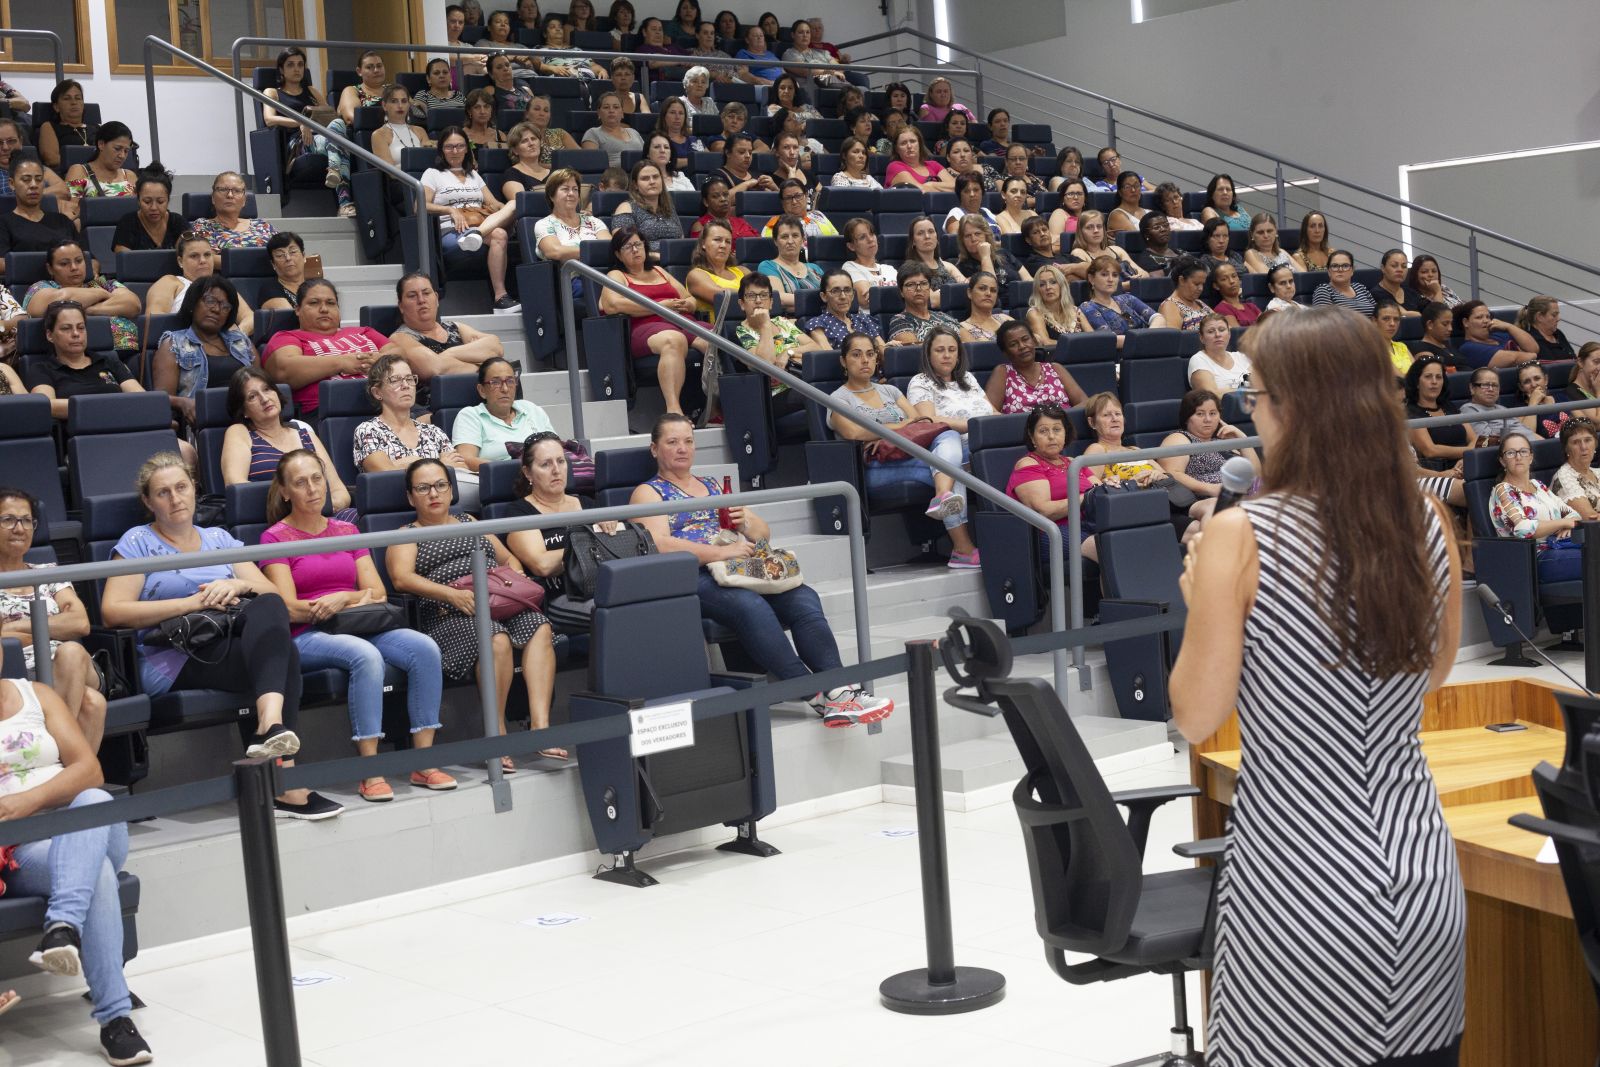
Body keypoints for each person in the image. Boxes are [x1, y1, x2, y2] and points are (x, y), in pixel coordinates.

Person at [1169, 306, 1466, 1067]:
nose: (1252, 412)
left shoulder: (1243, 535)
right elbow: (1431, 672)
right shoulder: (1426, 521)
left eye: (1257, 396)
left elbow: (1196, 714)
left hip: (1299, 890)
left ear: (1297, 409)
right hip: (1421, 878)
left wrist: (1201, 595)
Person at [102, 452, 342, 818]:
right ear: (149, 502)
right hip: (174, 656)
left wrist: (236, 583)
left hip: (225, 641)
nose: (175, 498)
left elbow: (270, 595)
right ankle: (283, 777)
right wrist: (191, 602)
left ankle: (269, 724)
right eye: (163, 492)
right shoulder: (137, 542)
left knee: (270, 607)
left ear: (194, 490)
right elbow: (114, 610)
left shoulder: (218, 539)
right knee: (285, 657)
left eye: (181, 487)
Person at [635, 412, 896, 724]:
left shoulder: (713, 485)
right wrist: (721, 553)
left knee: (804, 598)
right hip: (694, 576)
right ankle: (819, 695)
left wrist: (746, 521)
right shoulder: (648, 492)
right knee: (752, 607)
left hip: (741, 566)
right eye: (672, 442)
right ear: (654, 449)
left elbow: (762, 535)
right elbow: (659, 543)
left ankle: (838, 688)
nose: (682, 448)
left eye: (688, 441)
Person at [260, 450, 453, 801]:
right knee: (365, 656)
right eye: (300, 483)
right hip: (308, 634)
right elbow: (288, 608)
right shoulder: (274, 538)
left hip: (359, 621)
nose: (312, 489)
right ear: (285, 491)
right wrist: (336, 603)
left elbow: (377, 592)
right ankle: (370, 770)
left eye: (317, 479)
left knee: (425, 647)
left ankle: (425, 761)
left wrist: (343, 599)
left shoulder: (347, 529)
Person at [0, 669, 154, 1063]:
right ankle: (116, 1021)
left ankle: (62, 925)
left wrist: (25, 801)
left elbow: (89, 771)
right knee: (98, 872)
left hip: (87, 825)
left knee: (95, 800)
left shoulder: (36, 696)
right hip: (22, 849)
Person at [389, 458, 562, 768]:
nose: (434, 494)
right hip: (448, 614)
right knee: (494, 638)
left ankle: (541, 730)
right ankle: (496, 737)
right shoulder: (406, 535)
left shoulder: (469, 520)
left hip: (496, 602)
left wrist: (510, 587)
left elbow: (509, 559)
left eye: (441, 485)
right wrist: (451, 594)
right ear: (410, 496)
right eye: (424, 488)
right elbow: (401, 578)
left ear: (451, 489)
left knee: (540, 627)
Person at [826, 327, 983, 566]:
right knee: (953, 467)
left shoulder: (890, 390)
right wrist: (899, 425)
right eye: (856, 355)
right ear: (843, 361)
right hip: (873, 466)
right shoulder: (838, 398)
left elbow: (922, 423)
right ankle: (961, 545)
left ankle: (944, 500)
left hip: (907, 455)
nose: (865, 360)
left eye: (870, 354)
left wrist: (880, 430)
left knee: (947, 436)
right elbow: (854, 432)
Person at [0, 488, 105, 750]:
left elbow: (80, 623)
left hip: (73, 666)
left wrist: (15, 626)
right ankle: (72, 784)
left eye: (26, 520)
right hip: (19, 674)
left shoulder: (48, 573)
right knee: (92, 704)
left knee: (71, 652)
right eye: (8, 519)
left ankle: (50, 750)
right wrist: (53, 627)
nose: (19, 528)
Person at [220, 366, 354, 517]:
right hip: (272, 519)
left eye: (267, 389)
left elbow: (340, 492)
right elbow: (236, 485)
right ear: (243, 411)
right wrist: (296, 505)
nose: (264, 399)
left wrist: (325, 506)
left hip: (320, 517)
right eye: (252, 396)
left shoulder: (306, 435)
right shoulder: (239, 432)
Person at [602, 226, 707, 414]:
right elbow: (612, 305)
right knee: (673, 340)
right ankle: (674, 410)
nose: (635, 249)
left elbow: (689, 297)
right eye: (628, 247)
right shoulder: (617, 275)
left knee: (716, 339)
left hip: (682, 321)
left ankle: (714, 407)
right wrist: (660, 306)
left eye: (638, 244)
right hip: (644, 328)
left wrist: (689, 305)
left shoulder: (659, 270)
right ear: (618, 254)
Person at [263, 279, 399, 417]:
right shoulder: (287, 337)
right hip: (329, 414)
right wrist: (341, 363)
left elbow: (399, 354)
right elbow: (284, 370)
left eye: (331, 303)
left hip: (387, 405)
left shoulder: (363, 331)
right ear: (298, 309)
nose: (324, 309)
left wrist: (380, 360)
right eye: (314, 303)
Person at [151, 274, 258, 428]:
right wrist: (183, 403)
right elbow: (160, 398)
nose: (216, 309)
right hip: (204, 423)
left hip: (249, 418)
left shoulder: (242, 342)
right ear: (193, 304)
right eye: (210, 301)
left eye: (225, 306)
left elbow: (262, 383)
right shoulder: (174, 344)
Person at [353, 353, 471, 489]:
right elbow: (383, 473)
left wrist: (404, 464)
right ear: (377, 392)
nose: (405, 385)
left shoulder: (433, 431)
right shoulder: (369, 430)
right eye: (395, 380)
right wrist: (440, 463)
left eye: (409, 379)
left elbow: (461, 469)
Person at [1007, 403, 1099, 561]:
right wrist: (1086, 498)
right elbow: (1044, 511)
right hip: (1052, 533)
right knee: (1108, 549)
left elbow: (1099, 489)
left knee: (1122, 540)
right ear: (1032, 436)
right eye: (1043, 431)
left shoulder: (1073, 462)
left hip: (1088, 524)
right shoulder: (1028, 464)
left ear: (1065, 433)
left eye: (1057, 429)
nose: (1051, 436)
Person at [25, 238, 141, 359]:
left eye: (79, 261)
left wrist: (88, 310)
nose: (74, 267)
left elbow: (133, 304)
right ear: (50, 268)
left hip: (125, 351)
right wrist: (100, 294)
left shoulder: (104, 283)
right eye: (64, 263)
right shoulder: (41, 287)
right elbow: (47, 305)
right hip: (73, 356)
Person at [24, 302, 141, 420]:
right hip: (79, 434)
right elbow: (47, 405)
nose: (76, 334)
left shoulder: (110, 362)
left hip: (123, 427)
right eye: (66, 328)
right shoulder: (41, 369)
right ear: (50, 335)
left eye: (81, 327)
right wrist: (109, 406)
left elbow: (141, 398)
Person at [1491, 434, 1583, 584]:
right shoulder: (1503, 490)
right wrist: (1563, 523)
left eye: (1523, 451)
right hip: (1536, 558)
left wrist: (1567, 525)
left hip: (1560, 546)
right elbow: (1523, 529)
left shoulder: (1538, 485)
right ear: (1502, 461)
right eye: (1511, 453)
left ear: (1531, 457)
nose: (1518, 457)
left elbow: (1573, 514)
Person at [1158, 388, 1258, 521]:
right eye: (1200, 414)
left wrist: (1242, 439)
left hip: (1248, 495)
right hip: (1210, 501)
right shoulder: (1179, 439)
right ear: (1187, 418)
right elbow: (1172, 474)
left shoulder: (1225, 440)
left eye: (1213, 413)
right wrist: (1212, 489)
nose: (1208, 419)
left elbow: (1256, 473)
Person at [450, 357, 555, 472]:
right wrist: (516, 468)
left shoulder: (531, 409)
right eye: (495, 382)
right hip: (498, 482)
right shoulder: (470, 416)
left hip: (544, 476)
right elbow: (466, 459)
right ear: (482, 390)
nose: (505, 389)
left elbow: (556, 448)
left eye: (510, 381)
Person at [734, 272, 823, 409]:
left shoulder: (781, 322)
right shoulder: (740, 333)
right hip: (775, 395)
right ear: (742, 304)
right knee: (818, 394)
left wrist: (788, 352)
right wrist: (764, 326)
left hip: (802, 382)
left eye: (764, 295)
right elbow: (767, 365)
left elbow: (815, 348)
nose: (758, 301)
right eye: (751, 296)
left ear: (771, 303)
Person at [987, 320, 1087, 414]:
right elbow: (990, 412)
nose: (1022, 346)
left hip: (1063, 428)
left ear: (1034, 340)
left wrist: (1059, 419)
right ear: (1005, 352)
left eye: (1025, 339)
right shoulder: (1002, 372)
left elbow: (1084, 403)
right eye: (1013, 344)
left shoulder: (1055, 368)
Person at [0, 159, 76, 268]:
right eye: (26, 180)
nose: (34, 185)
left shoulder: (63, 220)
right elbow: (2, 264)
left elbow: (89, 258)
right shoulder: (3, 223)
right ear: (12, 184)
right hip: (31, 283)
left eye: (39, 180)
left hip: (72, 282)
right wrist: (53, 267)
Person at [1405, 355, 1472, 471]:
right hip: (1440, 472)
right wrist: (1468, 453)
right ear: (1416, 382)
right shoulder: (1411, 412)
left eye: (1439, 377)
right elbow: (1430, 450)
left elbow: (1474, 439)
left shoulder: (1449, 406)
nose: (1434, 382)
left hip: (1465, 464)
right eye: (1428, 377)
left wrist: (1465, 459)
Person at [1079, 255, 1165, 345]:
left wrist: (1149, 335)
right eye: (1104, 274)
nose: (1111, 279)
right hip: (1122, 356)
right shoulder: (1088, 307)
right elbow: (1109, 340)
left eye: (1115, 275)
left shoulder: (1127, 298)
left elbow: (1158, 318)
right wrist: (1145, 340)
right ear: (1091, 279)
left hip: (1147, 348)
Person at [533, 168, 610, 268]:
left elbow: (609, 247)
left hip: (606, 273)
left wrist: (574, 252)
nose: (571, 193)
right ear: (551, 195)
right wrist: (595, 250)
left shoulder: (594, 221)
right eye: (565, 189)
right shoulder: (544, 224)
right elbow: (555, 251)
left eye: (575, 189)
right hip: (572, 277)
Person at [191, 171, 278, 250]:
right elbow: (208, 258)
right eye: (223, 190)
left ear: (244, 200)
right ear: (213, 198)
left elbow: (283, 250)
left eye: (237, 190)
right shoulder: (203, 226)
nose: (230, 195)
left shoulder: (263, 225)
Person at [805, 268, 884, 353]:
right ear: (824, 296)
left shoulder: (863, 319)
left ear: (853, 295)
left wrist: (889, 347)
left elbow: (883, 351)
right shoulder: (817, 324)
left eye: (847, 290)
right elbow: (828, 358)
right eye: (835, 291)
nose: (843, 296)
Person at [757, 214, 823, 311]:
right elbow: (780, 298)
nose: (790, 241)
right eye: (784, 237)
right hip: (789, 322)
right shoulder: (768, 266)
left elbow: (831, 294)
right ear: (775, 241)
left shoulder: (815, 268)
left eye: (795, 236)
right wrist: (821, 301)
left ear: (802, 240)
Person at [685, 217, 748, 318]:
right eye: (717, 240)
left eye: (728, 241)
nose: (723, 245)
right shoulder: (696, 275)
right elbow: (722, 298)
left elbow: (766, 291)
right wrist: (755, 293)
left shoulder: (743, 271)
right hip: (718, 330)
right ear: (703, 244)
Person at [109, 168, 182, 253]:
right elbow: (124, 260)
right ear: (138, 200)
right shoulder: (128, 223)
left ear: (168, 200)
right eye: (147, 201)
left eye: (160, 202)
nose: (154, 207)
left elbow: (191, 249)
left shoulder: (177, 222)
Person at [61, 122, 136, 203]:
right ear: (101, 144)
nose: (122, 155)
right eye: (117, 148)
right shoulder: (79, 171)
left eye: (126, 151)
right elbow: (71, 209)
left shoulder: (129, 176)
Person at [611, 159, 684, 243]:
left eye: (656, 177)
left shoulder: (669, 207)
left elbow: (680, 238)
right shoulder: (626, 208)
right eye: (645, 178)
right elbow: (624, 245)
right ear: (635, 185)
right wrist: (656, 255)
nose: (652, 182)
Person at [1458, 366, 1534, 446]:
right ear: (1472, 388)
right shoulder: (1469, 410)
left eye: (1495, 385)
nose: (1491, 389)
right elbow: (1486, 442)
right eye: (1485, 385)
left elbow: (1527, 431)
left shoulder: (1502, 408)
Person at [1452, 299, 1538, 369]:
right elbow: (1516, 359)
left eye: (1488, 317)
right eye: (1479, 317)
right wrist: (1531, 355)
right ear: (1466, 322)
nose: (1486, 320)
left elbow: (1534, 348)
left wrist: (1509, 326)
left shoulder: (1499, 335)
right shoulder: (1468, 348)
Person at [886, 263, 959, 344]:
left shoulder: (944, 316)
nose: (918, 288)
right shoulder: (900, 321)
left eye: (924, 283)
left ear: (929, 288)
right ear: (901, 292)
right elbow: (915, 352)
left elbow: (970, 345)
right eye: (911, 285)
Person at [903, 214, 966, 304]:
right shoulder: (911, 270)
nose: (927, 236)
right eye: (920, 233)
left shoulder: (948, 266)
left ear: (936, 237)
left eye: (931, 231)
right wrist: (958, 291)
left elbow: (968, 289)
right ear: (913, 241)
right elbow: (933, 301)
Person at [956, 213, 1028, 289]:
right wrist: (985, 256)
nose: (973, 239)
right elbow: (990, 288)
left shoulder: (1003, 253)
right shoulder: (962, 267)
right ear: (962, 241)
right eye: (967, 236)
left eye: (977, 234)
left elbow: (1028, 280)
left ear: (986, 235)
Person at [37, 79, 96, 171]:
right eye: (67, 98)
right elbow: (52, 160)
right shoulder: (49, 126)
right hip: (67, 175)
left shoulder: (97, 128)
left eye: (78, 98)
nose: (73, 102)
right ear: (56, 107)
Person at [1069, 210, 1144, 280]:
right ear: (1081, 232)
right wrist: (1130, 284)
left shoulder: (1117, 250)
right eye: (1089, 227)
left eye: (1099, 226)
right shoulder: (1079, 252)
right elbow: (1098, 282)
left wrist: (1138, 279)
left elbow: (1144, 274)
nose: (1096, 231)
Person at [1026, 264, 1092, 342]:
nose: (1048, 287)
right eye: (1042, 284)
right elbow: (1045, 342)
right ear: (1038, 290)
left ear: (1062, 285)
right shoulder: (1035, 313)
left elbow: (1093, 338)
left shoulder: (1075, 310)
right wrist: (1077, 346)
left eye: (1053, 282)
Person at [1551, 417, 1600, 520]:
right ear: (1566, 448)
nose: (1583, 447)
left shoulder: (1597, 472)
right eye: (1576, 442)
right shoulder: (1564, 479)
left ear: (1595, 443)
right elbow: (1591, 518)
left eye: (1588, 440)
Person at [839, 217, 897, 303]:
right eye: (862, 237)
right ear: (851, 246)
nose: (870, 239)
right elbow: (867, 300)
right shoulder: (850, 267)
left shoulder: (889, 269)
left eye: (872, 234)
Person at [1187, 313, 1251, 392]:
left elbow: (1262, 385)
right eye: (1211, 331)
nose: (1217, 335)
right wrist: (1248, 388)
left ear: (1229, 334)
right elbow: (1212, 395)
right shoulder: (1198, 360)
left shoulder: (1241, 357)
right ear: (1202, 338)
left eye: (1222, 330)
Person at [580, 92, 645, 168]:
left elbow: (647, 157)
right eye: (606, 107)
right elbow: (592, 165)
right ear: (599, 113)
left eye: (616, 107)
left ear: (622, 113)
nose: (611, 110)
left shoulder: (634, 132)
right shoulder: (592, 133)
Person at [886, 126, 954, 191]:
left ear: (920, 144)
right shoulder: (894, 166)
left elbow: (956, 188)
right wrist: (941, 187)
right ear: (897, 149)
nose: (909, 146)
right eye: (903, 143)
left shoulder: (934, 165)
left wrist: (932, 185)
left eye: (913, 141)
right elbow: (918, 191)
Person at [537, 17, 607, 79]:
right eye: (552, 27)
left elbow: (592, 65)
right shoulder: (541, 50)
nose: (558, 29)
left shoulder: (576, 49)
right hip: (561, 77)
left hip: (585, 74)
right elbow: (537, 65)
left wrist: (601, 70)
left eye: (560, 27)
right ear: (545, 34)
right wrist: (553, 68)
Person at [783, 19, 846, 87]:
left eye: (808, 32)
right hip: (815, 86)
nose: (805, 35)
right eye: (801, 32)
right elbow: (805, 71)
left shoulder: (823, 52)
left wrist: (836, 72)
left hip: (835, 80)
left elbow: (839, 68)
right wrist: (831, 72)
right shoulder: (789, 54)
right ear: (793, 35)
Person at [689, 174, 755, 239]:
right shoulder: (700, 226)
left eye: (726, 194)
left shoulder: (741, 222)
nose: (723, 199)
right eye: (715, 196)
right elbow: (700, 249)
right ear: (706, 202)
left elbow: (759, 243)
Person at [1310, 250, 1375, 315]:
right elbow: (1323, 321)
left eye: (1345, 266)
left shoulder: (1360, 287)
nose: (1340, 270)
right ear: (1329, 271)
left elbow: (1378, 313)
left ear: (1352, 270)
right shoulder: (1324, 290)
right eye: (1335, 266)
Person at [1158, 258, 1215, 331]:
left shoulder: (1200, 303)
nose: (1201, 288)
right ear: (1181, 280)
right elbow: (1173, 339)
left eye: (1202, 284)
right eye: (1196, 284)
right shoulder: (1169, 305)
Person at [957, 271, 1013, 344]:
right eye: (982, 288)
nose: (988, 293)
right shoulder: (963, 328)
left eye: (993, 290)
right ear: (970, 293)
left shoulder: (1005, 319)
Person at [712, 134, 777, 195]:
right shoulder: (717, 176)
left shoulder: (759, 177)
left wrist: (774, 188)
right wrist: (747, 184)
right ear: (728, 153)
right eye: (741, 152)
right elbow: (719, 200)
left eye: (750, 152)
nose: (748, 156)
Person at [1518, 295, 1574, 360]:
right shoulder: (1531, 341)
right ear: (1539, 317)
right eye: (1554, 315)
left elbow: (1573, 357)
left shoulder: (1558, 333)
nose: (1558, 319)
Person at [944, 174, 1000, 238]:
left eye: (976, 190)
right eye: (966, 191)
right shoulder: (956, 213)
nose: (972, 194)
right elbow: (954, 242)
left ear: (982, 192)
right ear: (960, 195)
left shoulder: (986, 211)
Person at [1372, 249, 1424, 315]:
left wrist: (1437, 292)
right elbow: (1403, 314)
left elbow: (1434, 312)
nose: (1400, 270)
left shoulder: (1411, 292)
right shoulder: (1375, 293)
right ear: (1383, 268)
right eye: (1394, 266)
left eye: (1404, 266)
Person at [1210, 262, 1261, 328]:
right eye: (1224, 279)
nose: (1231, 281)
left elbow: (1268, 327)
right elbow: (1238, 334)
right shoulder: (1221, 309)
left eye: (1234, 276)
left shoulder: (1251, 306)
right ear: (1216, 286)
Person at [654, 97, 703, 164]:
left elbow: (709, 159)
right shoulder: (658, 141)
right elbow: (664, 163)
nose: (677, 117)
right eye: (673, 112)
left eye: (681, 113)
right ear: (664, 116)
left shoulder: (694, 139)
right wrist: (695, 161)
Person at [459, 88, 506, 153]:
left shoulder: (500, 136)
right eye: (477, 107)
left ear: (491, 110)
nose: (482, 111)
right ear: (469, 111)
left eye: (486, 107)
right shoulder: (460, 135)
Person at [1047, 178, 1088, 247]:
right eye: (1070, 194)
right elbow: (1055, 244)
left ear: (1085, 198)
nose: (1075, 197)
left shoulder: (1089, 216)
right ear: (1063, 198)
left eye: (1079, 193)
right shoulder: (1059, 213)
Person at [1374, 301, 1412, 373]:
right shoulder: (1372, 348)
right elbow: (1399, 378)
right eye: (1386, 318)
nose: (1392, 324)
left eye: (1396, 319)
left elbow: (1417, 374)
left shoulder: (1402, 346)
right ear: (1375, 321)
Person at [1565, 343, 1600, 422]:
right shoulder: (1572, 391)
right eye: (1596, 362)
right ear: (1580, 362)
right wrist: (1598, 391)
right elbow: (1598, 423)